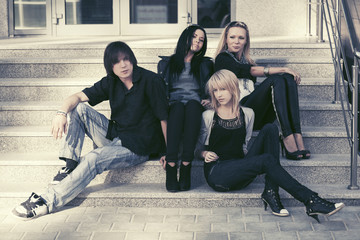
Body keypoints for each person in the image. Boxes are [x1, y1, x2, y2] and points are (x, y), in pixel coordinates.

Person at [12, 41, 168, 219]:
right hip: (117, 135)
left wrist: (168, 151)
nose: (123, 65)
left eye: (126, 59)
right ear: (110, 66)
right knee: (79, 108)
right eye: (117, 62)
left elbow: (164, 118)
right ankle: (70, 166)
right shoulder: (112, 81)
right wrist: (61, 113)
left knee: (93, 158)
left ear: (132, 60)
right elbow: (77, 96)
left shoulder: (151, 81)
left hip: (139, 147)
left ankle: (47, 202)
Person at [196, 69, 344, 222]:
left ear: (233, 88)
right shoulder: (208, 116)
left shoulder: (247, 114)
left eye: (223, 89)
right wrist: (204, 154)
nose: (219, 94)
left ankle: (271, 190)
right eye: (215, 90)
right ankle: (310, 200)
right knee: (266, 159)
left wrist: (250, 162)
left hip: (240, 171)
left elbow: (244, 146)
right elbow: (198, 149)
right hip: (218, 173)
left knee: (270, 128)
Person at [214, 21, 310, 160]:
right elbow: (250, 71)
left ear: (246, 41)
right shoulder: (222, 59)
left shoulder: (247, 61)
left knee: (288, 78)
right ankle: (287, 136)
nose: (236, 41)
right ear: (226, 39)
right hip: (240, 112)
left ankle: (297, 135)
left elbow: (249, 69)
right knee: (276, 79)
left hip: (258, 114)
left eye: (241, 38)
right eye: (232, 37)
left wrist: (286, 73)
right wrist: (283, 68)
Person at [157, 25, 214, 192]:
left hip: (195, 104)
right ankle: (172, 164)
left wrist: (210, 100)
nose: (198, 41)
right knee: (178, 109)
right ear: (186, 38)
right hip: (174, 104)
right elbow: (160, 92)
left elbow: (213, 87)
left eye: (201, 39)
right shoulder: (166, 64)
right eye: (195, 36)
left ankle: (186, 165)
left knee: (191, 107)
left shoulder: (205, 64)